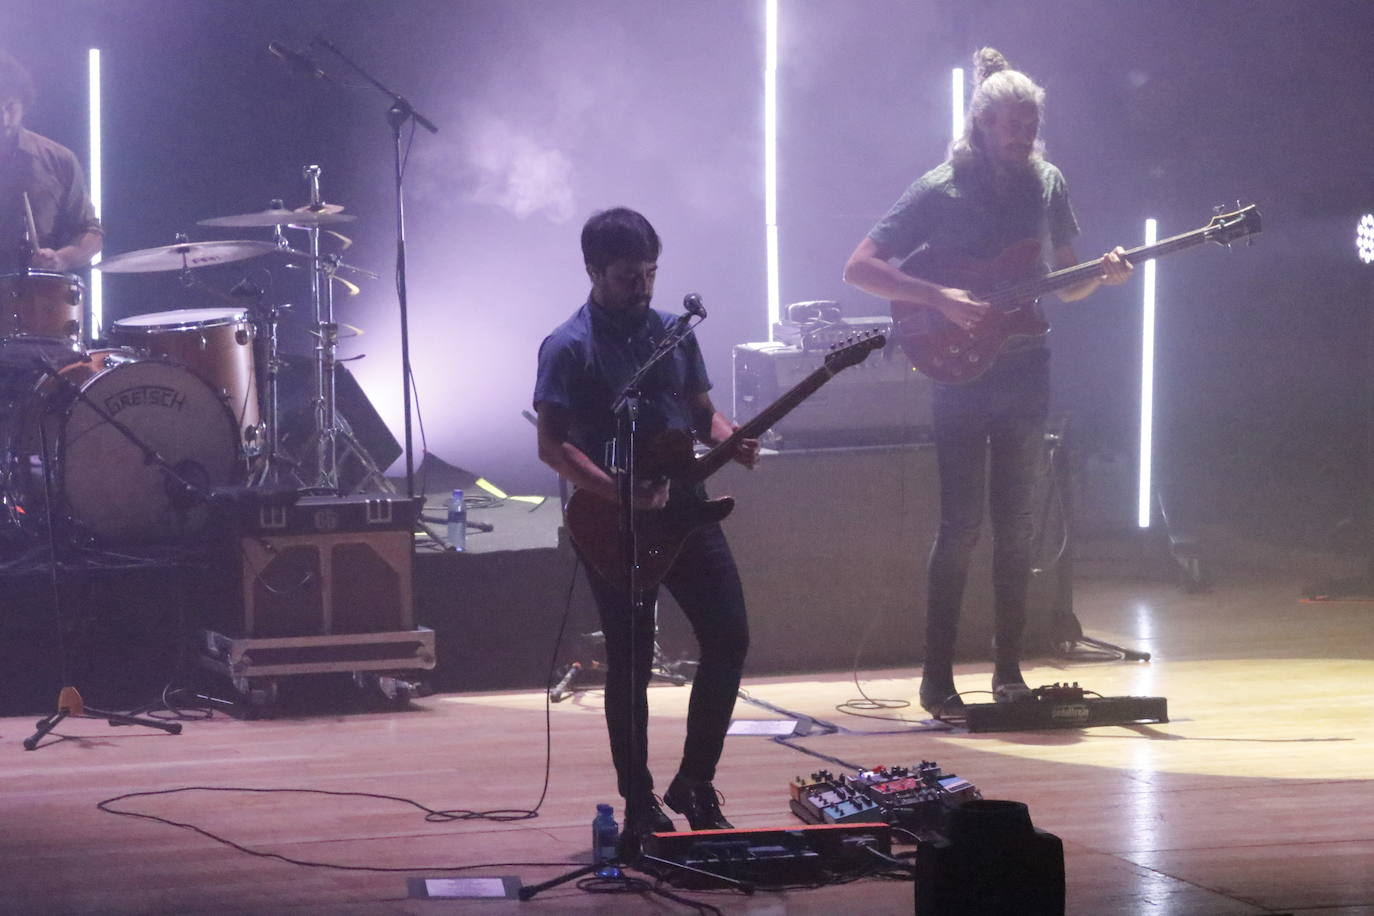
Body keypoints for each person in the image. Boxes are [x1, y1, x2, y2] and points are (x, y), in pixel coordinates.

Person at [842, 48, 1133, 716]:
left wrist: (1102, 274)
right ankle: (937, 677)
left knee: (1017, 527)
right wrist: (937, 297)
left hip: (1028, 368)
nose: (1022, 135)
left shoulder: (1049, 184)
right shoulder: (940, 187)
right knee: (961, 526)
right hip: (960, 375)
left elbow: (1068, 280)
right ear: (982, 124)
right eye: (1011, 124)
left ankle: (1008, 672)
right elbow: (860, 267)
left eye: (1030, 123)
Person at [533, 207, 758, 837]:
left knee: (730, 637)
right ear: (594, 271)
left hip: (687, 507)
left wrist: (729, 435)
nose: (645, 287)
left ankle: (696, 782)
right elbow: (553, 447)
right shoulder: (568, 345)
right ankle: (639, 804)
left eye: (652, 273)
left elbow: (702, 412)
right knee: (630, 663)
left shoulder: (673, 332)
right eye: (630, 276)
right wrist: (618, 493)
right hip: (613, 522)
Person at [0, 50, 103, 273]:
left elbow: (91, 232)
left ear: (24, 106)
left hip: (36, 298)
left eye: (10, 107)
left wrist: (62, 258)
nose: (3, 117)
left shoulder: (58, 160)